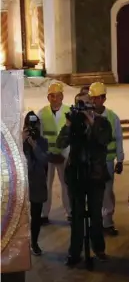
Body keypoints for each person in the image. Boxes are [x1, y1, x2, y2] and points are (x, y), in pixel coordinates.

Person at [56, 92, 111, 266]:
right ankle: (75, 252)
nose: (85, 107)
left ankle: (99, 248)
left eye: (87, 103)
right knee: (77, 216)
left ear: (93, 104)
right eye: (81, 104)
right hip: (76, 175)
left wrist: (92, 123)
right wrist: (68, 125)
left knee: (96, 215)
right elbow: (60, 144)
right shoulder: (73, 123)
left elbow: (103, 140)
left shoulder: (102, 122)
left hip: (95, 175)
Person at [88, 82, 124, 236]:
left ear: (104, 98)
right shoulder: (87, 116)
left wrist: (120, 160)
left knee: (107, 192)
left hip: (107, 161)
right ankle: (96, 222)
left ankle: (107, 222)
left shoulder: (112, 117)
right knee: (93, 193)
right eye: (92, 98)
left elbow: (119, 139)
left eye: (97, 98)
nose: (94, 101)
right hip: (91, 162)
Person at [38, 81, 71, 224]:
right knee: (46, 185)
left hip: (64, 155)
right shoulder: (42, 113)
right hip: (48, 156)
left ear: (62, 96)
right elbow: (39, 136)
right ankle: (44, 214)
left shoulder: (69, 112)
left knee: (67, 185)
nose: (54, 99)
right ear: (48, 98)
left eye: (57, 96)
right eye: (51, 96)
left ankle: (70, 212)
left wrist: (65, 154)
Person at [22, 112, 48, 256]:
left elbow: (44, 160)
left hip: (37, 183)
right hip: (23, 184)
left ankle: (35, 243)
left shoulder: (43, 141)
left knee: (36, 216)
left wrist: (34, 146)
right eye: (29, 126)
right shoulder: (18, 141)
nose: (32, 129)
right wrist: (20, 142)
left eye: (35, 125)